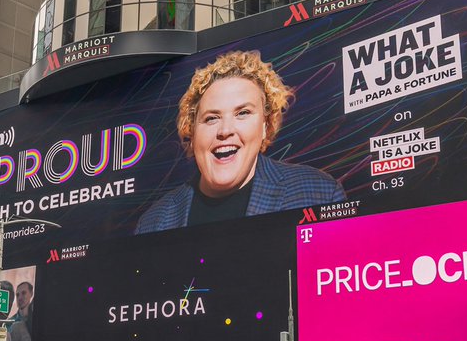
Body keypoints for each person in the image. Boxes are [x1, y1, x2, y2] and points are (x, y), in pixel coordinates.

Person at [135, 50, 346, 234]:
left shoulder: (318, 193)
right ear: (192, 131)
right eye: (211, 118)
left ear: (265, 126)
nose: (225, 131)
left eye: (242, 113)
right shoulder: (155, 221)